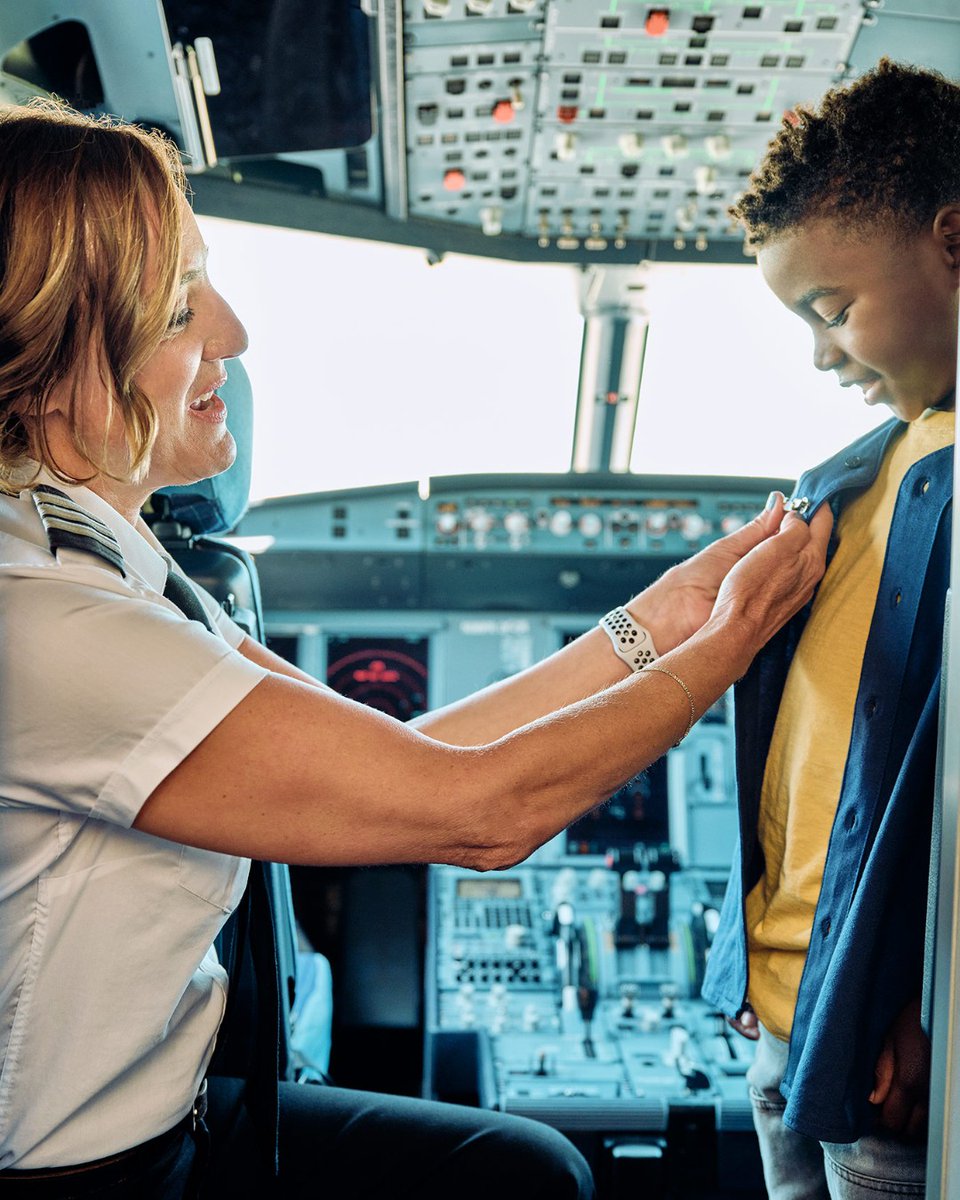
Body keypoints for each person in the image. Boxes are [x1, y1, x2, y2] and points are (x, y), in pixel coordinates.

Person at [0, 100, 829, 1198]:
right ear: (58, 363)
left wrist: (663, 621)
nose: (232, 336)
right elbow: (478, 812)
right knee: (522, 1180)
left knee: (513, 1166)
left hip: (185, 1109)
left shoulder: (118, 568)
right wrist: (725, 651)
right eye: (174, 309)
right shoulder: (53, 624)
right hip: (85, 1180)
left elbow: (414, 752)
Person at [701, 57, 958, 1200]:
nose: (819, 352)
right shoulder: (852, 480)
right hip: (781, 1005)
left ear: (954, 244)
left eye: (832, 309)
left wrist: (924, 989)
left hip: (883, 1028)